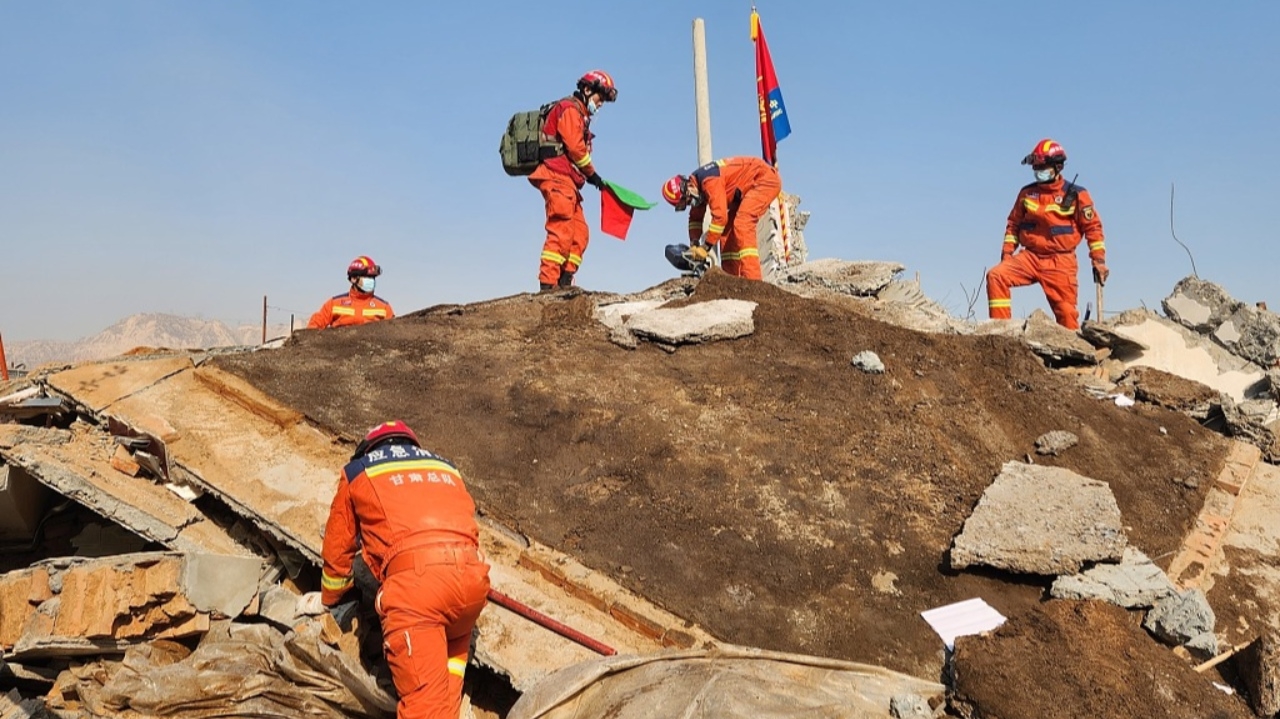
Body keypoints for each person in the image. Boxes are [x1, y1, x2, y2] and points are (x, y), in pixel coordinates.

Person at [309, 420, 491, 719]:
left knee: (423, 708)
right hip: (472, 586)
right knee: (446, 695)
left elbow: (338, 548)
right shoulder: (446, 468)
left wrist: (333, 599)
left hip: (419, 593)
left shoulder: (358, 471)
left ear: (368, 448)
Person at [987, 139, 1108, 330]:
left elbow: (1093, 228)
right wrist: (1007, 254)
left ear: (1057, 167)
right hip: (1030, 257)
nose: (1038, 171)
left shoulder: (1077, 195)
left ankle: (1073, 355)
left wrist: (1098, 261)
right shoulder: (1027, 194)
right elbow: (1013, 225)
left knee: (1067, 315)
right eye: (1036, 167)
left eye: (1042, 167)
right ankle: (1001, 335)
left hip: (1060, 262)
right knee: (996, 275)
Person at [529, 70, 618, 292]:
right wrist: (592, 174)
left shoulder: (579, 114)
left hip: (568, 181)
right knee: (561, 230)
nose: (601, 105)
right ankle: (548, 285)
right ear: (587, 90)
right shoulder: (569, 110)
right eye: (600, 99)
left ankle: (565, 281)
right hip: (557, 177)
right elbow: (576, 148)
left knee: (580, 233)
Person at [661, 156, 782, 281]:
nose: (689, 204)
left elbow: (720, 218)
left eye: (687, 201)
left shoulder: (709, 181)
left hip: (764, 180)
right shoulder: (696, 188)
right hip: (745, 191)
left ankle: (754, 281)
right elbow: (695, 219)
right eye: (685, 205)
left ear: (688, 188)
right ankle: (731, 281)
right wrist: (694, 243)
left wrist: (705, 247)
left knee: (743, 223)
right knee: (726, 234)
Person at [307, 256, 395, 329]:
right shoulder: (334, 304)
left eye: (373, 278)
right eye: (367, 277)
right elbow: (313, 327)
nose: (371, 281)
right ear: (353, 279)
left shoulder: (384, 308)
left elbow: (394, 332)